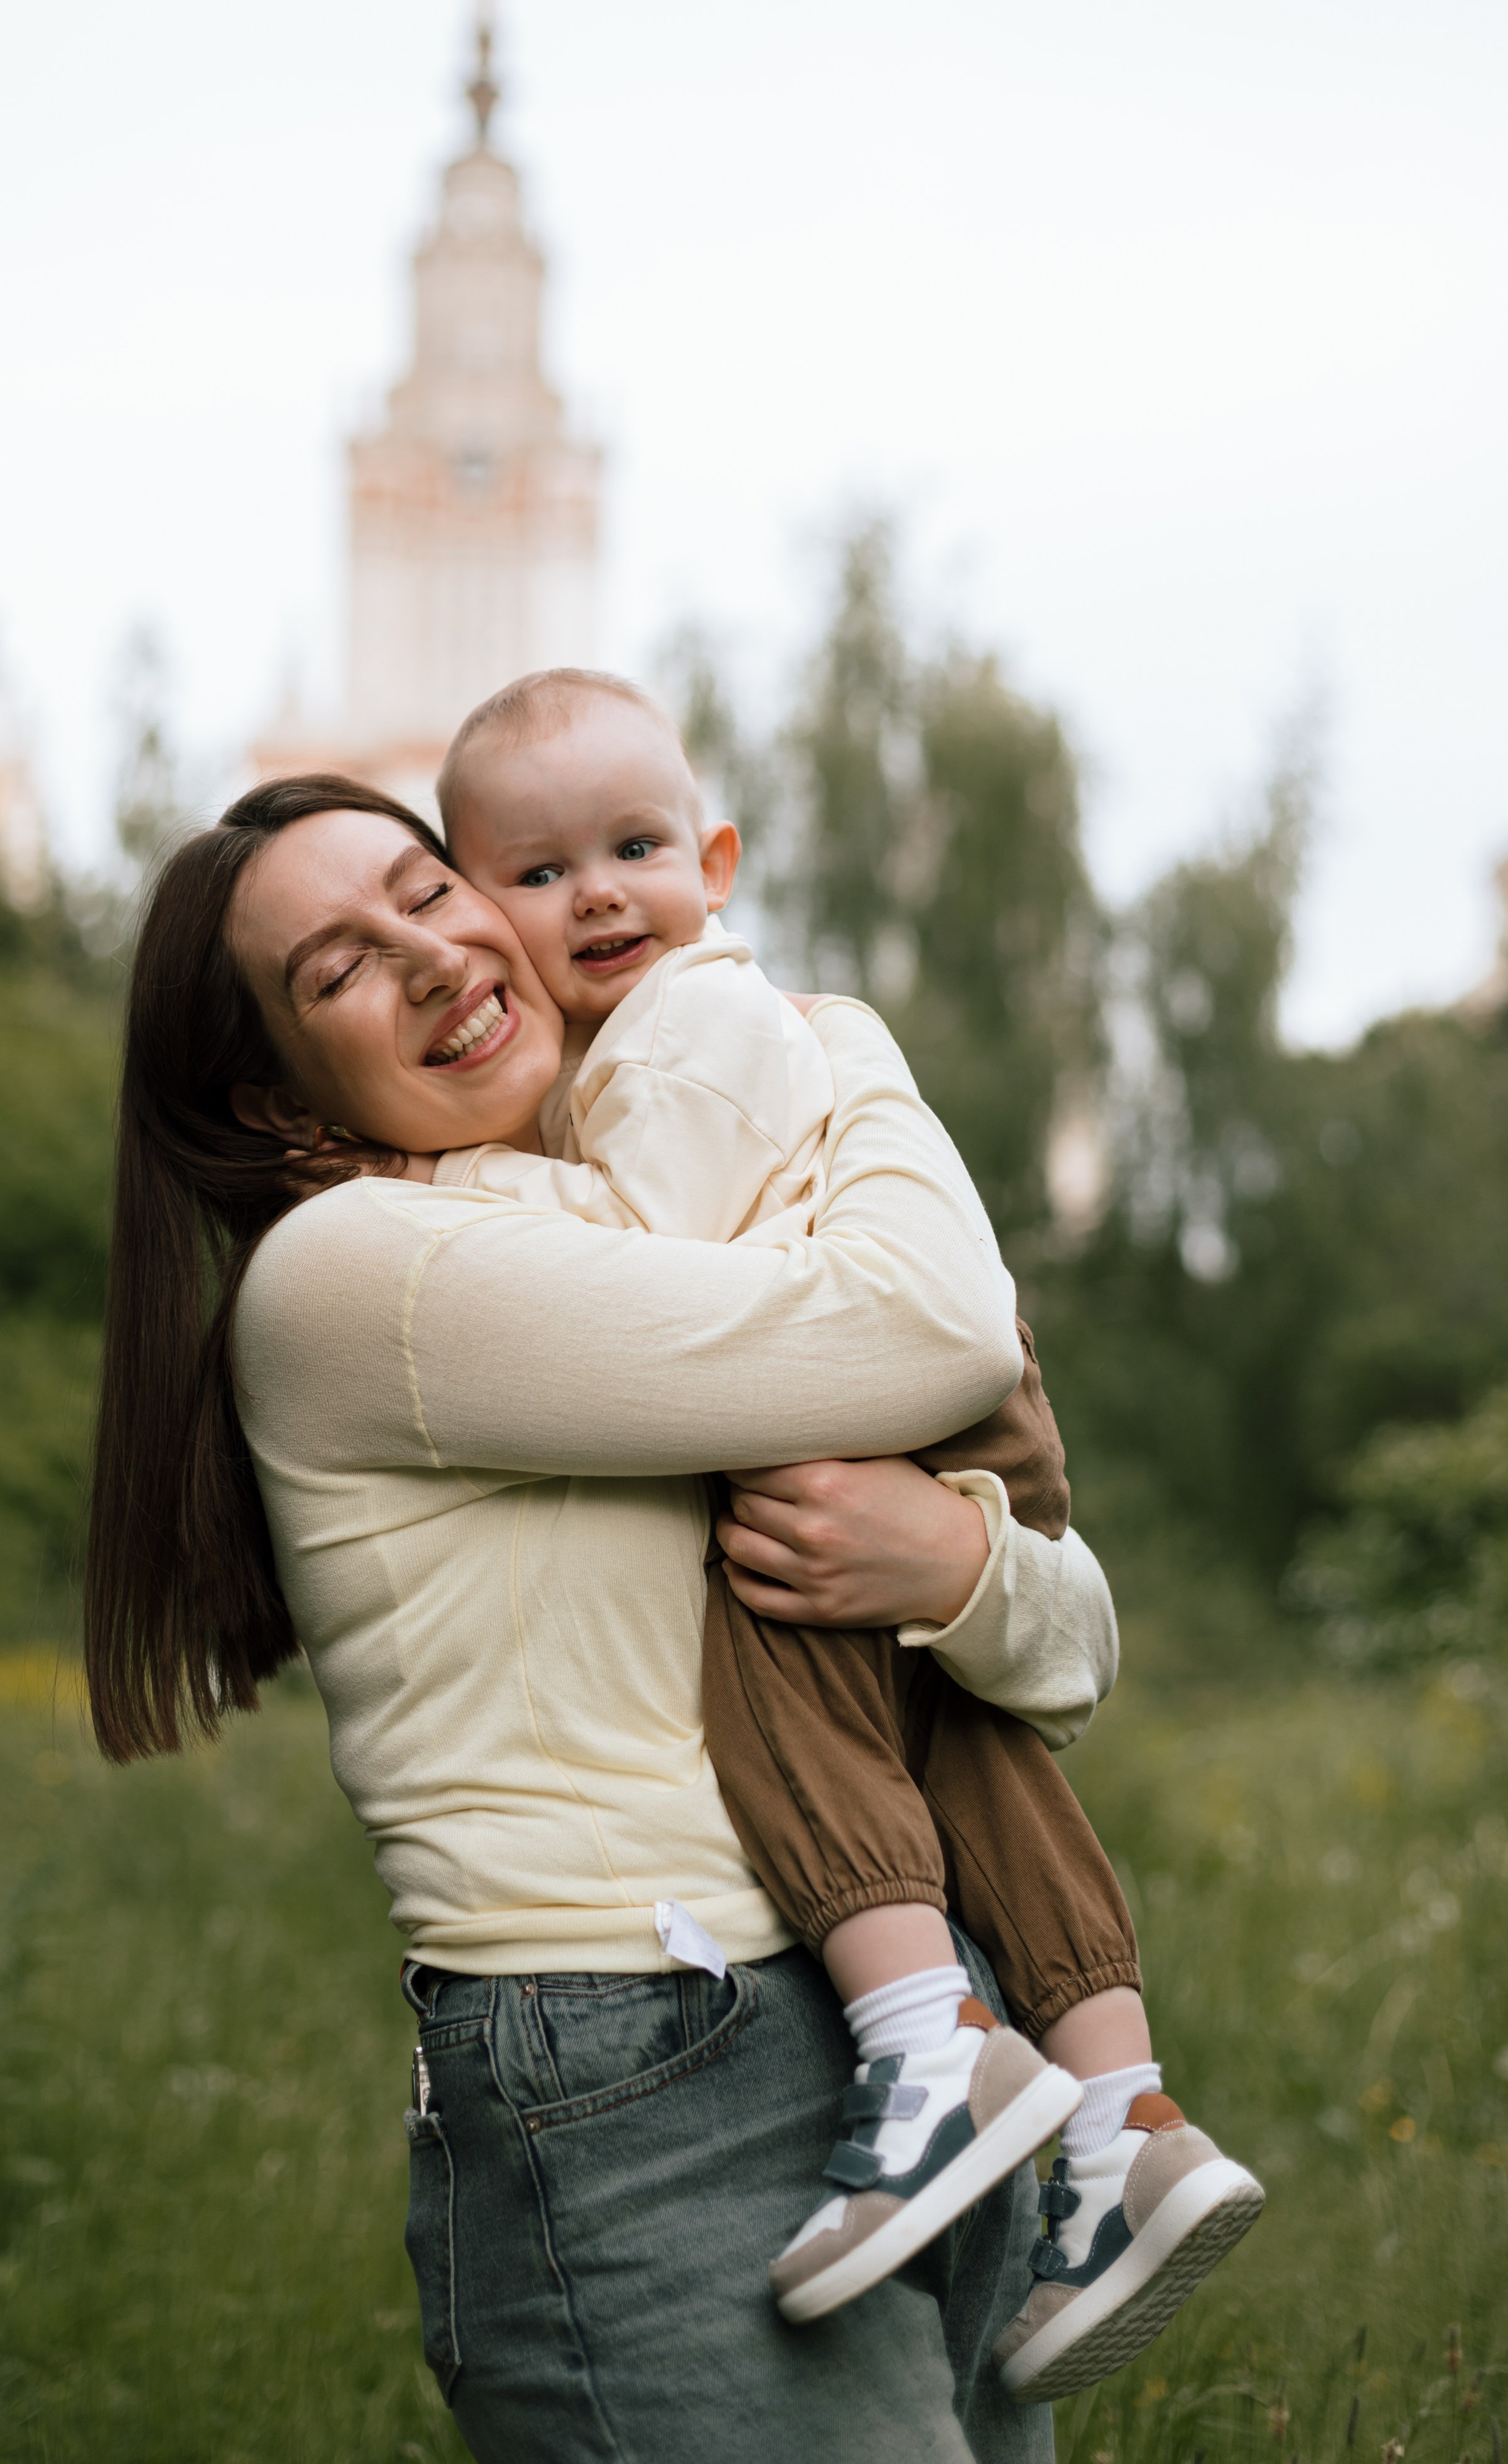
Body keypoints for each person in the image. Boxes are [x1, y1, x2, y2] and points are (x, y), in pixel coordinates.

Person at [85, 771, 1122, 2463]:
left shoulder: (621, 1208)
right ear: (273, 1100)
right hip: (637, 2065)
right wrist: (834, 1036)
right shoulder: (362, 1275)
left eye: (422, 892)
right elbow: (942, 1331)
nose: (424, 960)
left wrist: (948, 1570)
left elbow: (1069, 1656)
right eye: (336, 970)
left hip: (915, 2027)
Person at [428, 668, 1263, 2390]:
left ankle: (922, 2039)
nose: (594, 892)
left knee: (763, 1635)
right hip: (950, 1419)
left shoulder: (680, 1028)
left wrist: (478, 1189)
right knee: (960, 1738)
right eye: (536, 869)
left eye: (634, 846)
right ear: (477, 901)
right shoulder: (700, 1022)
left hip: (866, 1402)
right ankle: (1119, 2113)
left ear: (714, 860)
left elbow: (649, 1278)